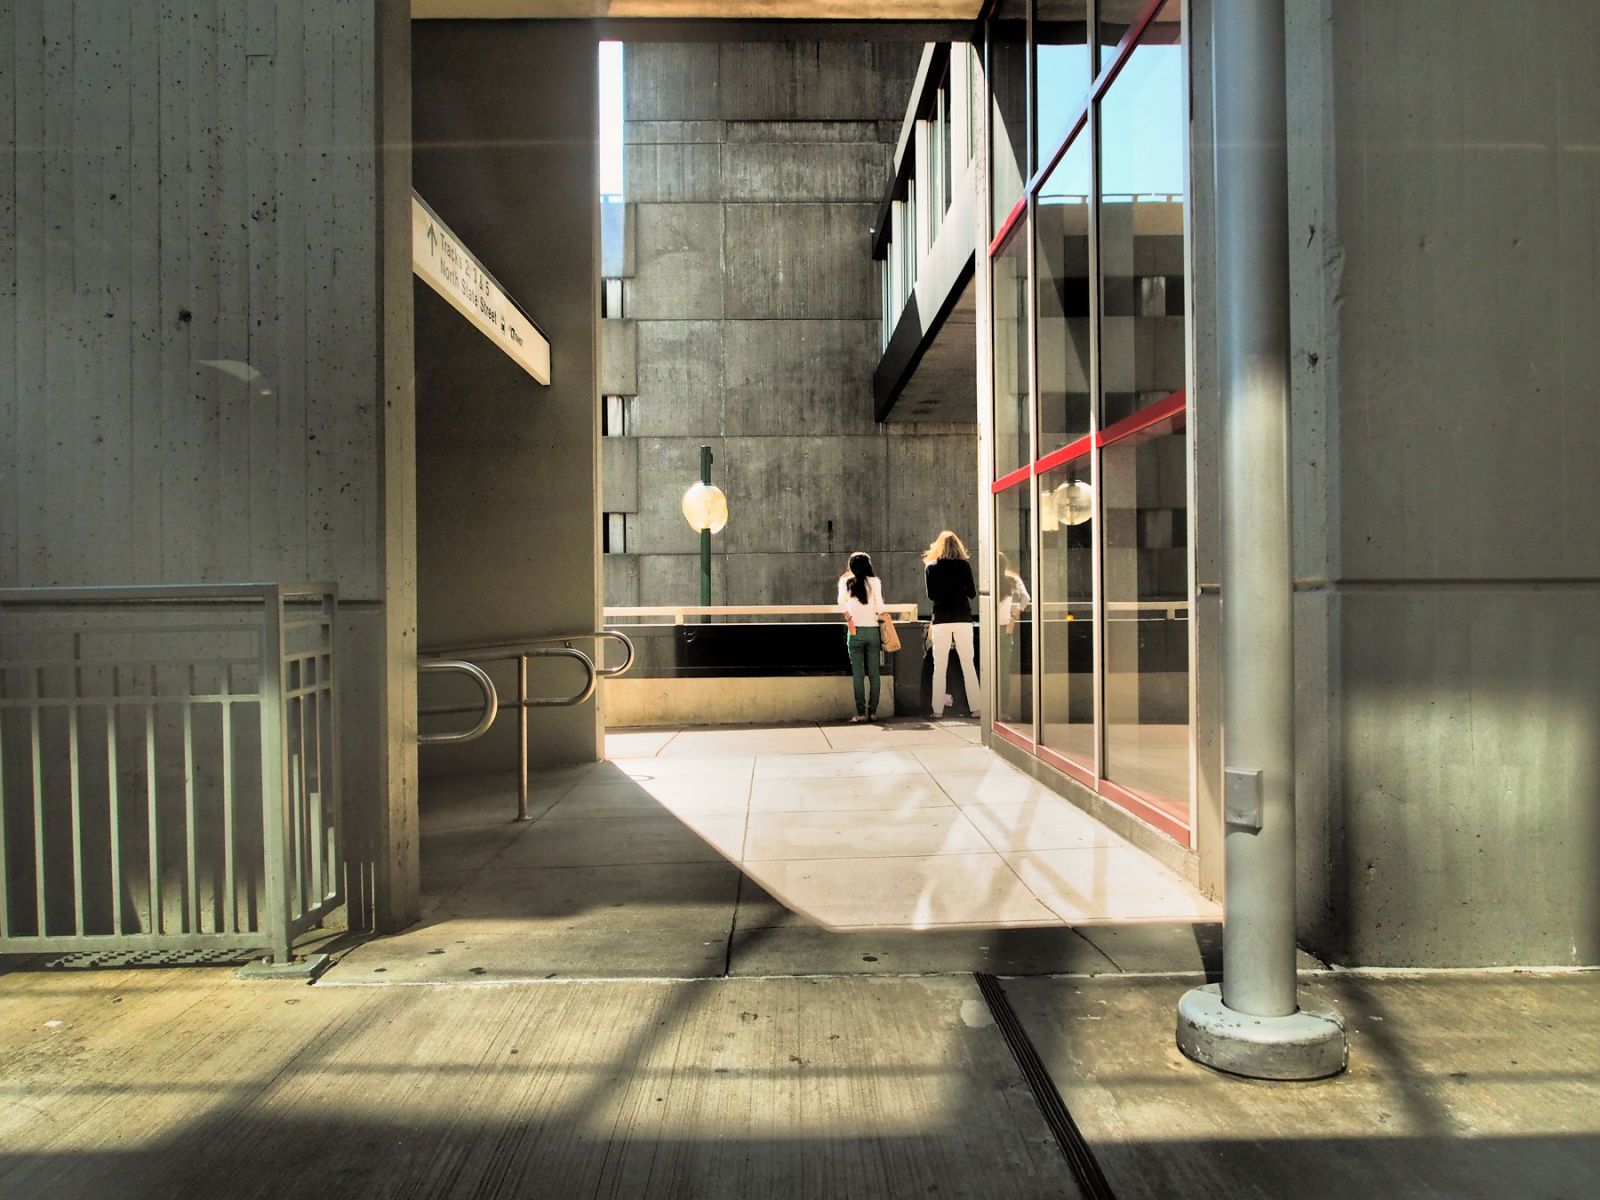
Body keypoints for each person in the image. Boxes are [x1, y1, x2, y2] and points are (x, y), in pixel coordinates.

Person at [923, 530, 981, 719]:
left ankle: (938, 710)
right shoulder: (964, 566)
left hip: (941, 618)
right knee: (968, 664)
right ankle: (976, 708)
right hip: (963, 617)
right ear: (958, 546)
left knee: (939, 666)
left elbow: (931, 596)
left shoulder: (931, 567)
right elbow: (972, 593)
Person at [836, 551, 885, 722]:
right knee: (874, 673)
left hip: (854, 630)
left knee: (858, 674)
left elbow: (841, 603)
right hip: (872, 630)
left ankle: (861, 713)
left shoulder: (845, 582)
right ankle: (873, 712)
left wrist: (849, 617)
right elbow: (880, 608)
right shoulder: (875, 582)